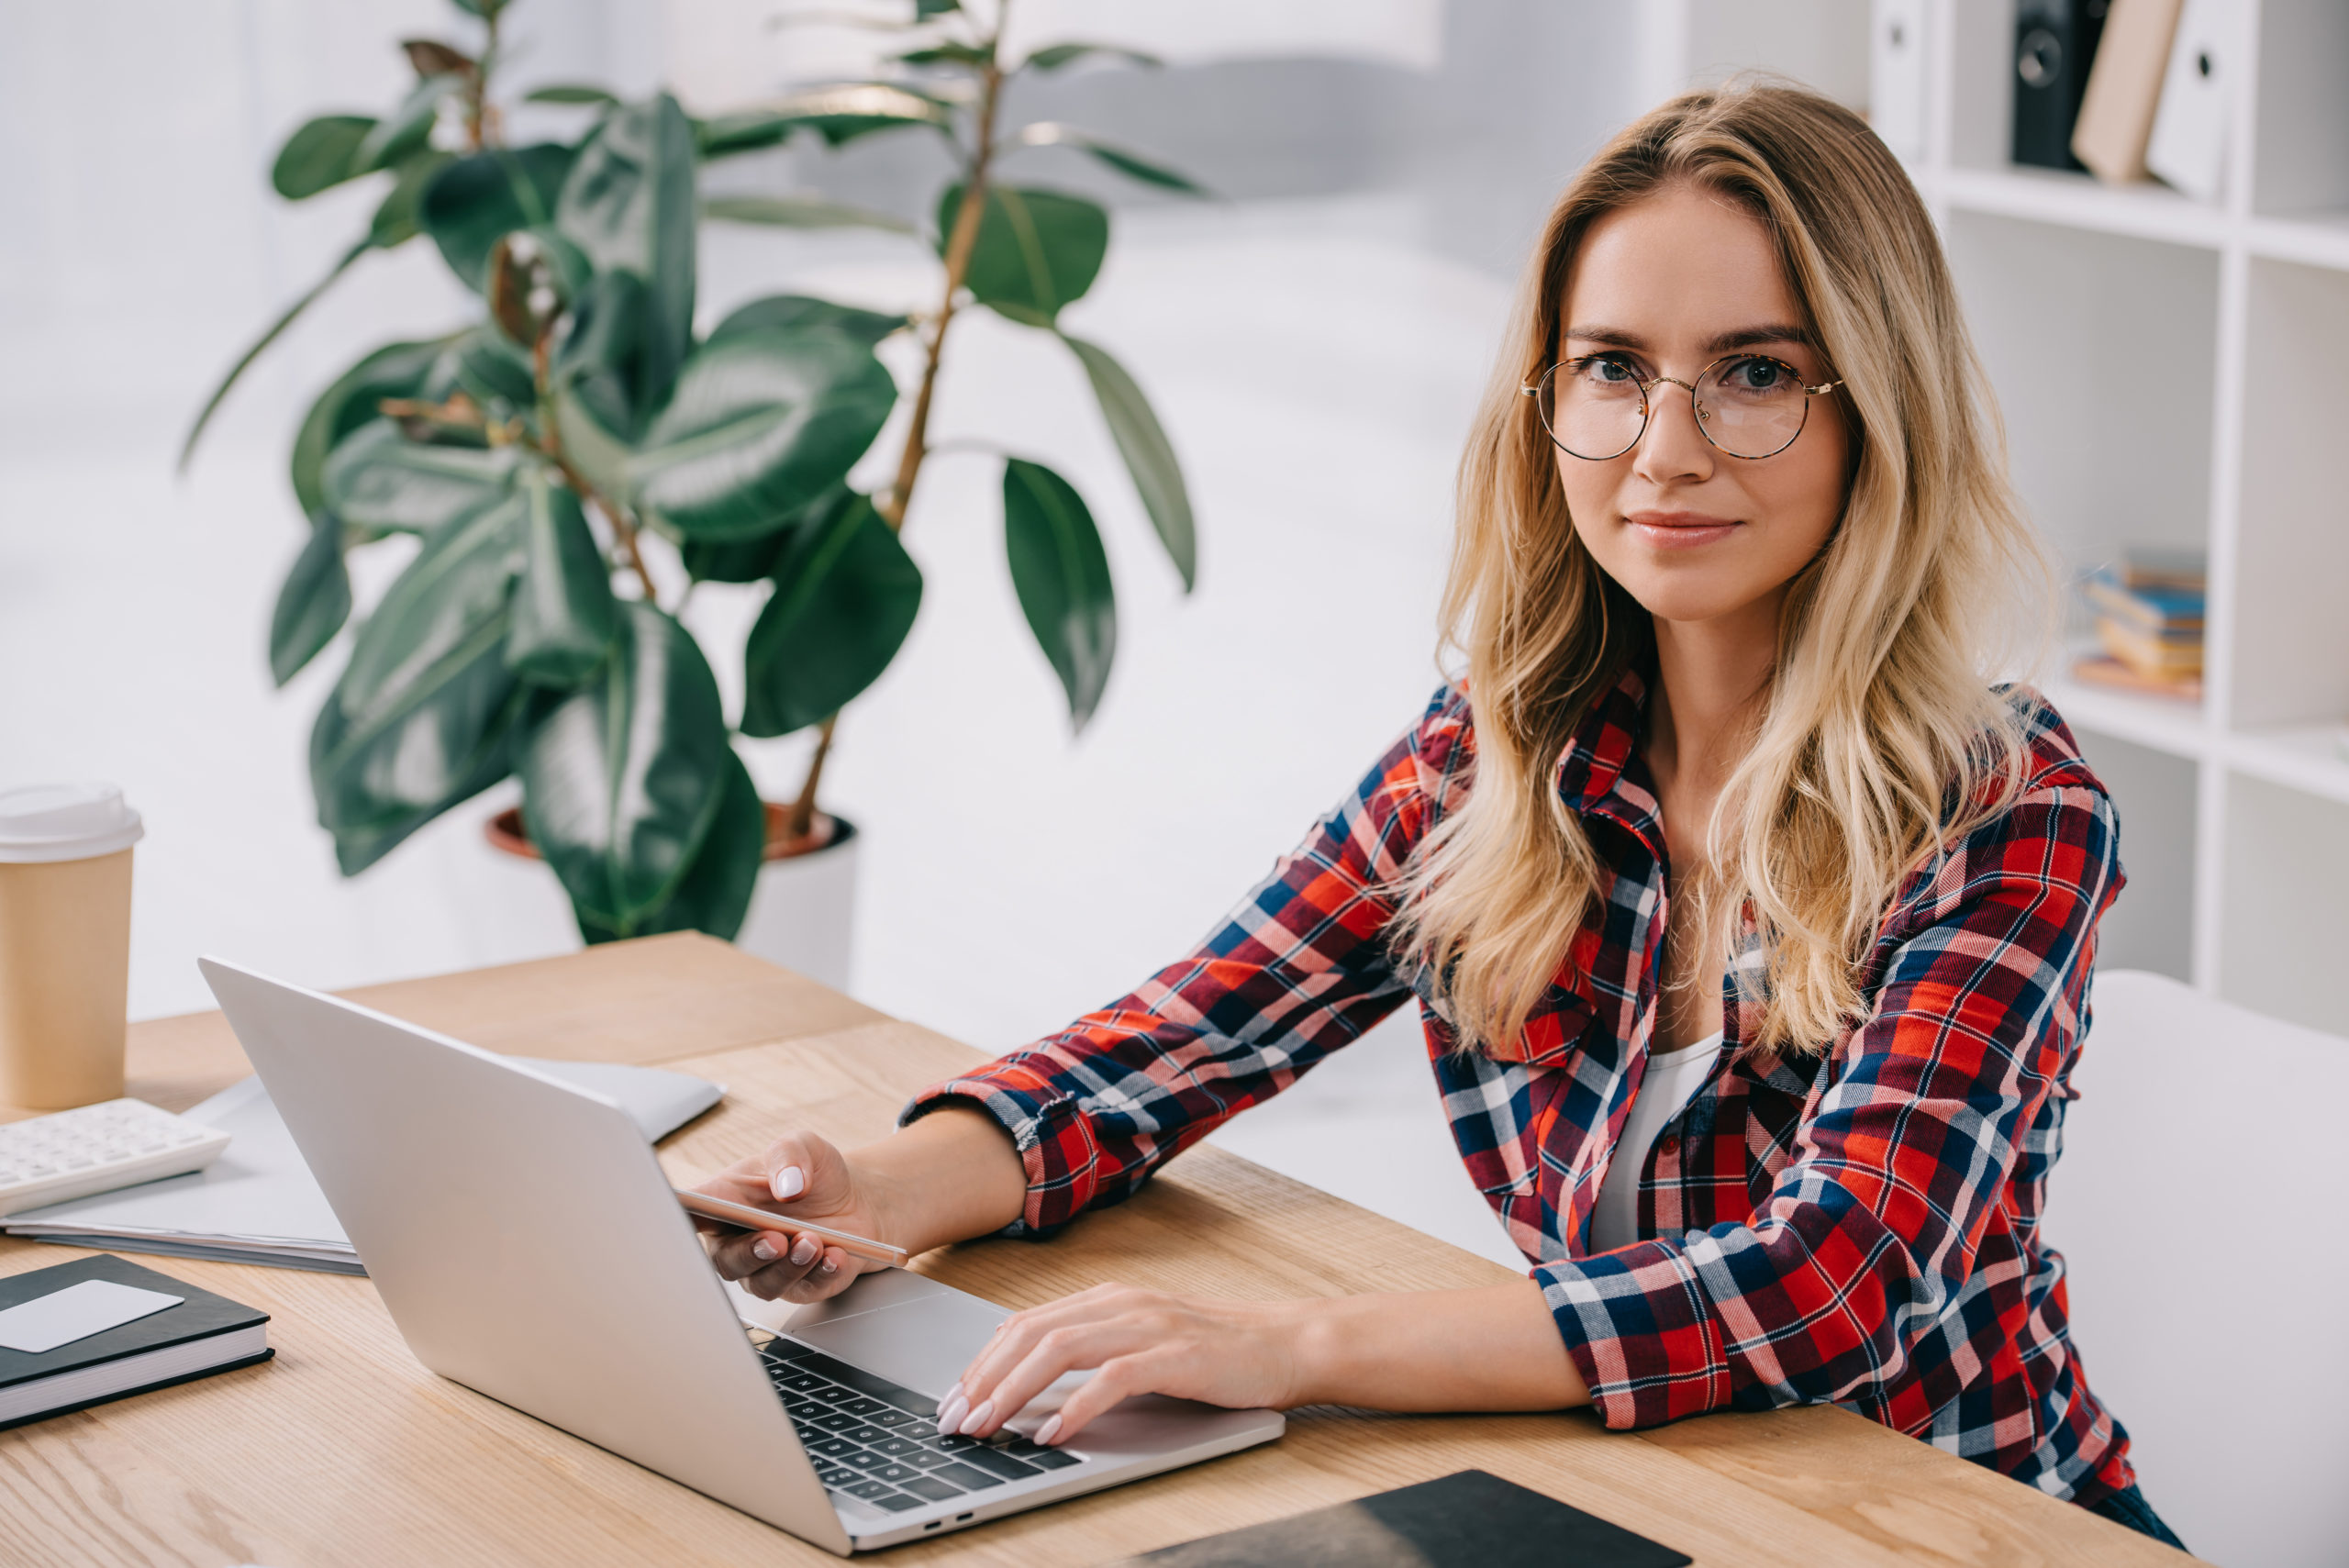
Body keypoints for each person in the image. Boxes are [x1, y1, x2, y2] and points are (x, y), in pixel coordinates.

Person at [693, 82, 2184, 1548]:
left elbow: (1821, 1285)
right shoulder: (1501, 756)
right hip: (1650, 1501)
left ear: (1878, 406)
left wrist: (1285, 1346)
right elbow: (1175, 1042)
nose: (1665, 447)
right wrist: (860, 1200)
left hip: (1953, 1519)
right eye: (1611, 366)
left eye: (1755, 373)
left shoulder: (2005, 812)